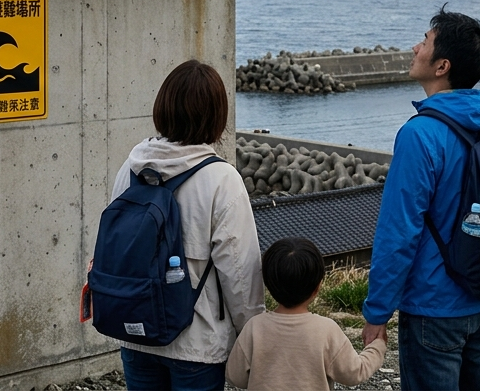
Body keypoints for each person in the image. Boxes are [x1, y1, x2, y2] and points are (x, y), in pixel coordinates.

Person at [359, 8, 480, 391]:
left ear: (442, 65)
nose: (415, 47)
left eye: (425, 42)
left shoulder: (420, 135)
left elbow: (399, 233)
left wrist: (377, 312)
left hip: (435, 306)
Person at [112, 60, 265, 390]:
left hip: (136, 331)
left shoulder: (131, 167)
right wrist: (253, 338)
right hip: (198, 344)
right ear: (215, 116)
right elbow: (239, 272)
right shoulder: (221, 179)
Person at [226, 237, 385, 390]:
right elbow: (354, 373)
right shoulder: (326, 329)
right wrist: (377, 346)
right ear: (317, 287)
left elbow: (235, 377)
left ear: (268, 285)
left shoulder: (254, 327)